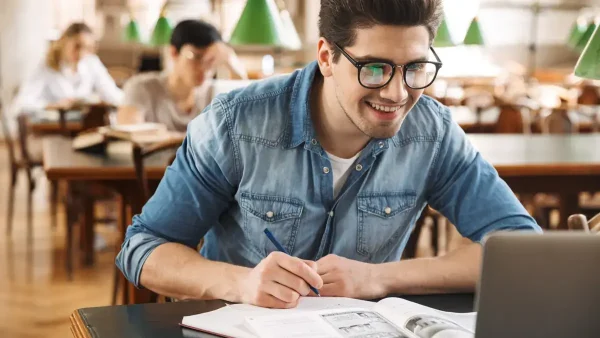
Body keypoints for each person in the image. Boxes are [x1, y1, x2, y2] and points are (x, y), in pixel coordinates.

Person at [116, 0, 541, 309]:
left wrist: (375, 278)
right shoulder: (234, 124)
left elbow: (521, 250)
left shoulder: (433, 133)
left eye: (415, 68)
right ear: (327, 57)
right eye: (374, 68)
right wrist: (243, 283)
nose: (397, 93)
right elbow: (143, 248)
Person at [117, 19, 247, 132]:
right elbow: (128, 130)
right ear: (174, 53)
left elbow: (248, 112)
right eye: (196, 57)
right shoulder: (142, 87)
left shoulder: (214, 92)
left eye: (211, 60)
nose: (204, 68)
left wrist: (231, 60)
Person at [12, 22, 123, 113]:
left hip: (82, 129)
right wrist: (52, 106)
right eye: (77, 46)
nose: (81, 53)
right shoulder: (46, 66)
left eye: (87, 48)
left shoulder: (91, 62)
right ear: (64, 41)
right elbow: (22, 104)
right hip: (52, 131)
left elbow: (113, 95)